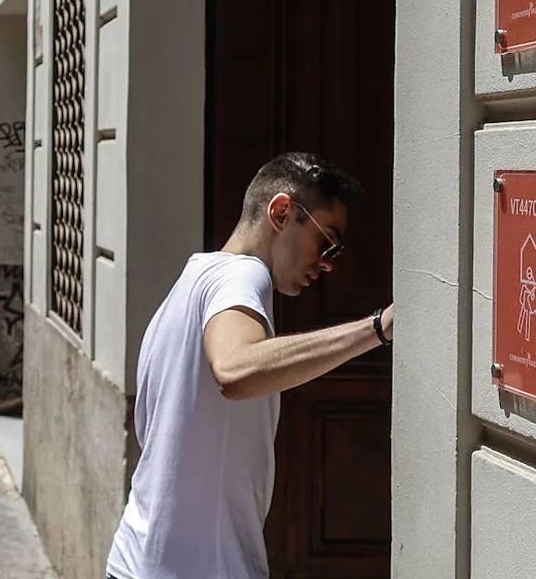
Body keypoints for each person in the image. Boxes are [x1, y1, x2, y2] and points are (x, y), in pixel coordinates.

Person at [106, 152, 395, 579]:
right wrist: (378, 328)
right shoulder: (241, 277)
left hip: (137, 562)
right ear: (281, 213)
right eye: (326, 241)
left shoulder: (192, 280)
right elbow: (236, 370)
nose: (329, 261)